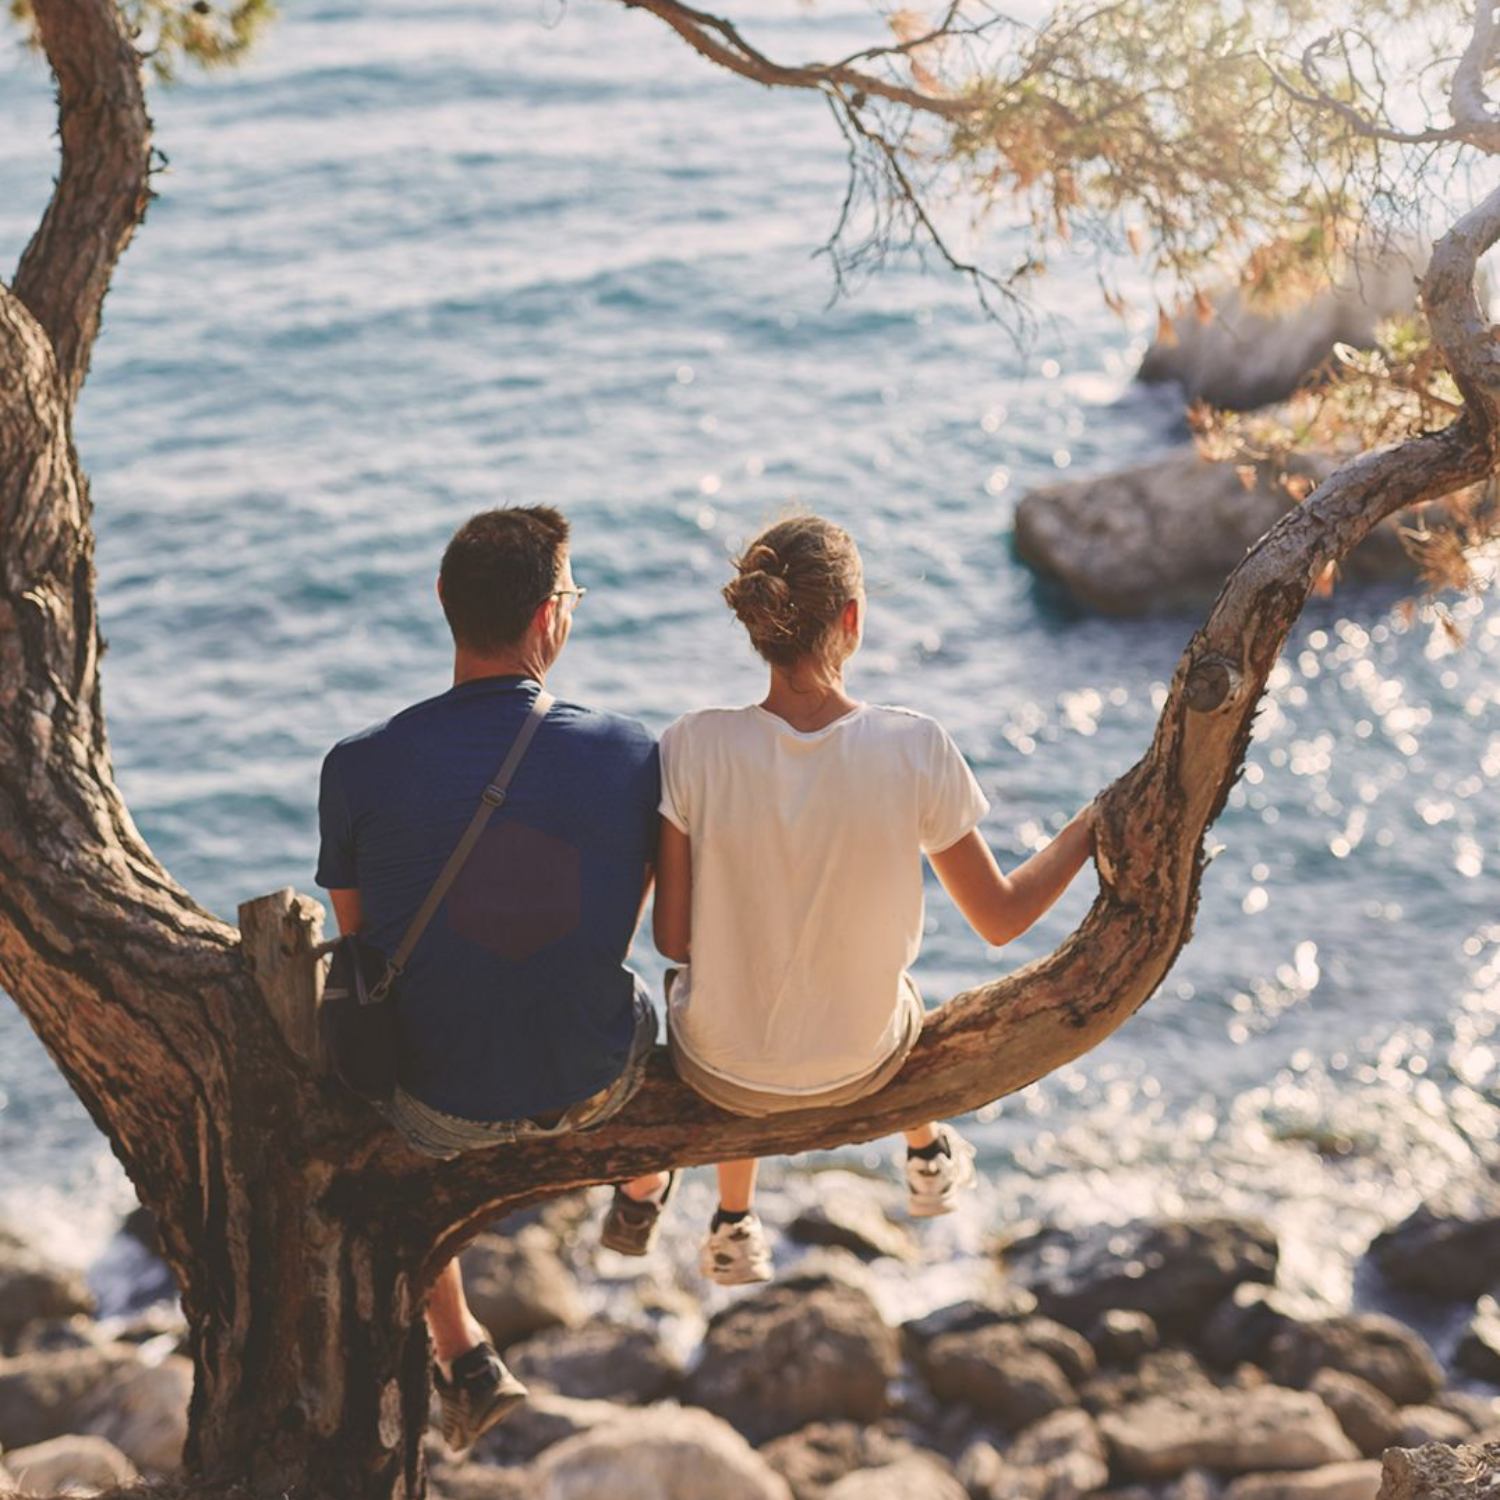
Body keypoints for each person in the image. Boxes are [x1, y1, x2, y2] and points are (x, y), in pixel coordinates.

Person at [601, 514, 1096, 1286]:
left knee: (732, 980)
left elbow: (672, 939)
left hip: (722, 1074)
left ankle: (733, 1223)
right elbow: (1001, 921)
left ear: (757, 625)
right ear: (853, 620)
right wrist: (1090, 825)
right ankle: (926, 1154)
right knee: (892, 981)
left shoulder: (690, 745)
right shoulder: (914, 745)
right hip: (864, 1066)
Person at [316, 506, 660, 1448]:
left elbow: (365, 953)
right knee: (645, 1009)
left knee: (403, 1117)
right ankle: (638, 1193)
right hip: (592, 1083)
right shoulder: (631, 752)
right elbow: (619, 933)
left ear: (443, 603)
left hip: (440, 1110)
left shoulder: (355, 767)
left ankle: (464, 1350)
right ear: (551, 616)